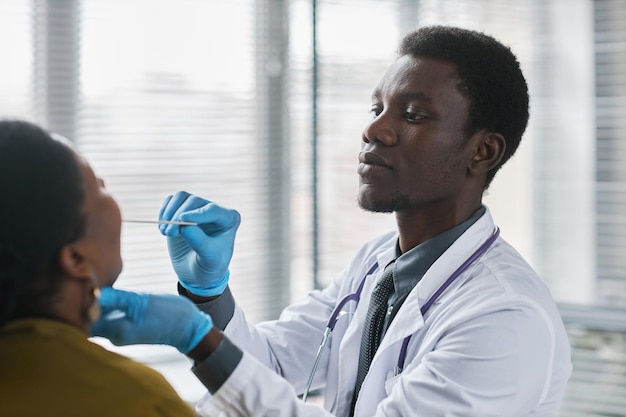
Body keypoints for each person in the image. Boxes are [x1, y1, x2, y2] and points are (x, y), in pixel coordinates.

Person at [93, 26, 573, 417]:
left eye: (412, 115)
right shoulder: (378, 264)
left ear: (482, 151)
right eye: (376, 108)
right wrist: (208, 295)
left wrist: (198, 341)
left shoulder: (504, 318)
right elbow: (275, 366)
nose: (374, 129)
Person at [0, 119, 203, 417]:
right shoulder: (138, 401)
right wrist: (206, 343)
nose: (108, 189)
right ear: (75, 260)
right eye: (99, 189)